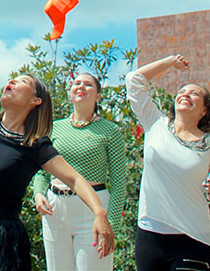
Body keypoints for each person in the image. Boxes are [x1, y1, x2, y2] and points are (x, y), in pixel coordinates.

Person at [0, 0, 114, 271]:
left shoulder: (36, 146)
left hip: (4, 240)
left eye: (22, 81)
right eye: (13, 78)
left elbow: (76, 181)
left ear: (35, 100)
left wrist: (100, 213)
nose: (12, 81)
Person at [125, 55, 210, 271]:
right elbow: (134, 80)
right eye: (182, 91)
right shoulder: (155, 123)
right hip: (150, 235)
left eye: (194, 93)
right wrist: (170, 62)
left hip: (193, 238)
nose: (185, 94)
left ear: (204, 110)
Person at [32, 72, 129, 271]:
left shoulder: (110, 131)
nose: (81, 87)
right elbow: (41, 170)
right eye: (77, 83)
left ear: (98, 96)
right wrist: (38, 193)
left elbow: (119, 183)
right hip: (54, 209)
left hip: (92, 211)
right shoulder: (53, 128)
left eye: (88, 84)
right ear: (70, 93)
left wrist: (111, 224)